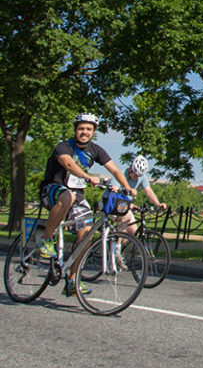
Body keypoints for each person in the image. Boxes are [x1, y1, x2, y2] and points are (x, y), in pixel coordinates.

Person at [33, 113, 135, 294]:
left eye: (89, 129)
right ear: (75, 130)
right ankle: (46, 241)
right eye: (81, 128)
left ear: (93, 132)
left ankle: (72, 280)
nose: (84, 132)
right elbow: (69, 164)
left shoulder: (96, 150)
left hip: (75, 195)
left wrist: (127, 188)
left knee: (87, 232)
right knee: (67, 197)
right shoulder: (63, 146)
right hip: (52, 189)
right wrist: (87, 176)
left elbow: (115, 170)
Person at [118, 155, 168, 240]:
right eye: (135, 174)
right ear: (130, 168)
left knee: (133, 232)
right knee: (126, 218)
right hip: (112, 204)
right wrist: (128, 204)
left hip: (126, 207)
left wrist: (158, 203)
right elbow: (113, 191)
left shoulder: (142, 177)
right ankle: (116, 249)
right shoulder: (120, 174)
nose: (136, 177)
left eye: (138, 176)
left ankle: (127, 251)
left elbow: (148, 191)